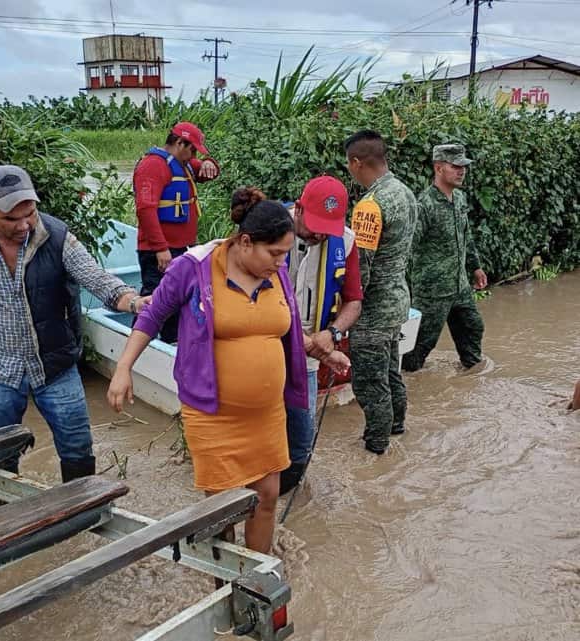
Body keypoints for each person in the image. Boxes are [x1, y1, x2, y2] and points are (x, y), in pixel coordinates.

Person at [0, 164, 146, 497]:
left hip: (53, 364)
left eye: (30, 213)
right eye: (12, 218)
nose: (24, 225)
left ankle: (81, 518)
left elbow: (96, 278)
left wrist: (132, 302)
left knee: (77, 447)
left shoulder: (55, 236)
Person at [107, 188, 308, 553]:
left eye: (285, 254)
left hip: (267, 413)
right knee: (223, 509)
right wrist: (123, 368)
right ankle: (224, 586)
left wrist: (321, 350)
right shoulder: (195, 268)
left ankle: (254, 584)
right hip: (213, 413)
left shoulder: (275, 274)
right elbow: (153, 315)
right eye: (275, 253)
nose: (281, 263)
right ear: (245, 242)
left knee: (267, 496)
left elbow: (280, 329)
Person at [280, 176, 363, 494]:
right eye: (313, 225)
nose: (317, 234)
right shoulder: (270, 227)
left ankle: (291, 494)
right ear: (298, 209)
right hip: (266, 346)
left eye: (325, 228)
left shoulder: (346, 240)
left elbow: (354, 301)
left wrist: (333, 333)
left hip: (311, 353)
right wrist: (322, 349)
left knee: (302, 433)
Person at [344, 130, 417, 455]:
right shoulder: (404, 192)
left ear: (357, 162)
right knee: (390, 370)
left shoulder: (369, 206)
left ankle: (376, 447)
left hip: (373, 311)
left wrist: (344, 307)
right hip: (398, 300)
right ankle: (397, 426)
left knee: (370, 383)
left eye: (349, 164)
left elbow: (362, 268)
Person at [402, 144, 487, 372]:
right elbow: (408, 247)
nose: (462, 171)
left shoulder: (459, 199)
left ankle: (472, 376)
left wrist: (475, 267)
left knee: (473, 327)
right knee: (419, 347)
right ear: (438, 168)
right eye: (455, 166)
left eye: (463, 167)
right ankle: (409, 382)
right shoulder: (424, 205)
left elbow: (465, 236)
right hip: (432, 291)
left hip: (459, 285)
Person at [133, 121, 220, 343]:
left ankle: (170, 344)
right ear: (180, 143)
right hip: (159, 249)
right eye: (192, 149)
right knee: (154, 298)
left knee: (178, 298)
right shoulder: (153, 165)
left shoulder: (185, 164)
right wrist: (161, 249)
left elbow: (209, 172)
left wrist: (210, 163)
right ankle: (136, 345)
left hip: (180, 248)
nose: (194, 155)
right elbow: (145, 209)